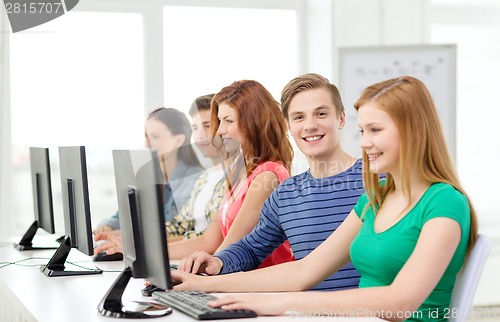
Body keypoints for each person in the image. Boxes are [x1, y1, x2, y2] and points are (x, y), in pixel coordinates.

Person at [172, 76, 478, 321]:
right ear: (289, 126)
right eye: (364, 131)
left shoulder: (435, 200)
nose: (366, 142)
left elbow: (401, 300)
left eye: (375, 130)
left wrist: (287, 303)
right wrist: (206, 281)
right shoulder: (377, 197)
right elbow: (302, 269)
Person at [176, 73, 364, 291]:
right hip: (307, 312)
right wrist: (217, 262)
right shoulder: (286, 194)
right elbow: (251, 248)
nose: (310, 125)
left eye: (321, 114)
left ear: (341, 118)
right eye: (299, 117)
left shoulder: (377, 180)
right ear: (288, 125)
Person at [167, 80, 294, 269]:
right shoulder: (240, 172)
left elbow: (231, 248)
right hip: (239, 281)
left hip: (264, 289)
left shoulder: (268, 176)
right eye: (220, 121)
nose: (219, 131)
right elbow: (209, 241)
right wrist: (149, 256)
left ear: (253, 122)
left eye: (228, 121)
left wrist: (196, 271)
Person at [93, 107, 204, 253]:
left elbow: (179, 231)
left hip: (172, 256)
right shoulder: (146, 177)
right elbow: (122, 217)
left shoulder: (196, 180)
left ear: (178, 140)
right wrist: (108, 227)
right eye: (146, 137)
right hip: (149, 253)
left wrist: (129, 238)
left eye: (155, 136)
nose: (147, 144)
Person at [166, 94, 228, 241]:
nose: (199, 135)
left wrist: (146, 246)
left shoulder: (236, 177)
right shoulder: (203, 179)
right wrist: (131, 238)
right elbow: (178, 226)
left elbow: (207, 238)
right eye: (195, 128)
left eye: (207, 126)